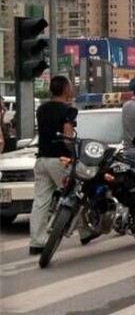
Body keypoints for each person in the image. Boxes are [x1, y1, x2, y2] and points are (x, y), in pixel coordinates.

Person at [28, 76, 78, 256]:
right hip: (60, 161)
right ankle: (86, 231)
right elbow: (68, 138)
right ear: (65, 89)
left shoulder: (42, 109)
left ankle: (36, 241)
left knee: (41, 201)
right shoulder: (68, 110)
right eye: (70, 86)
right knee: (77, 194)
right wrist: (75, 154)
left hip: (42, 160)